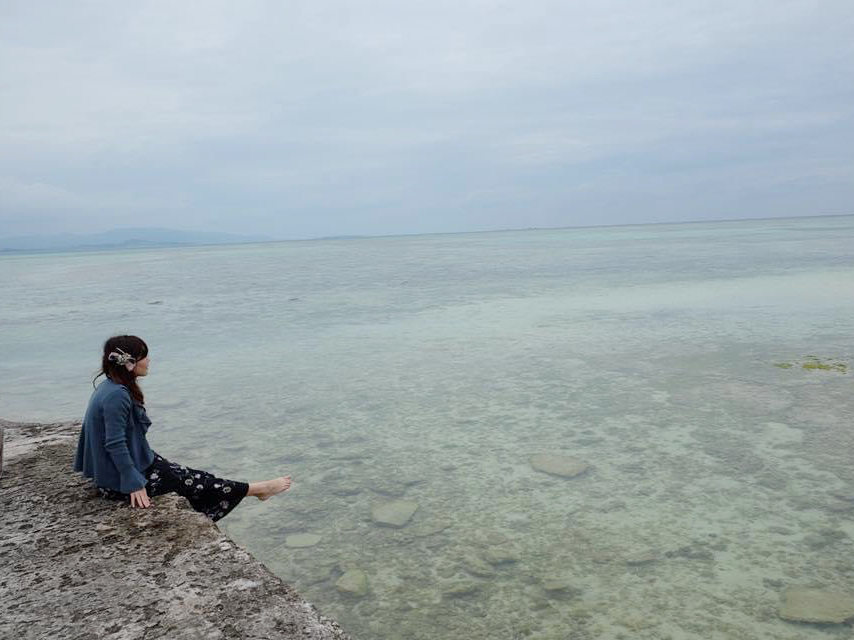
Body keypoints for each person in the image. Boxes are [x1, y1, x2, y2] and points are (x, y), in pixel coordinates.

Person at [74, 335, 291, 521]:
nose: (149, 360)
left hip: (128, 466)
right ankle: (259, 489)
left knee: (194, 476)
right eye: (144, 356)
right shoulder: (116, 395)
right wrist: (133, 483)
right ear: (129, 362)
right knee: (197, 484)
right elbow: (114, 443)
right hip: (119, 480)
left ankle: (256, 489)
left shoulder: (110, 386)